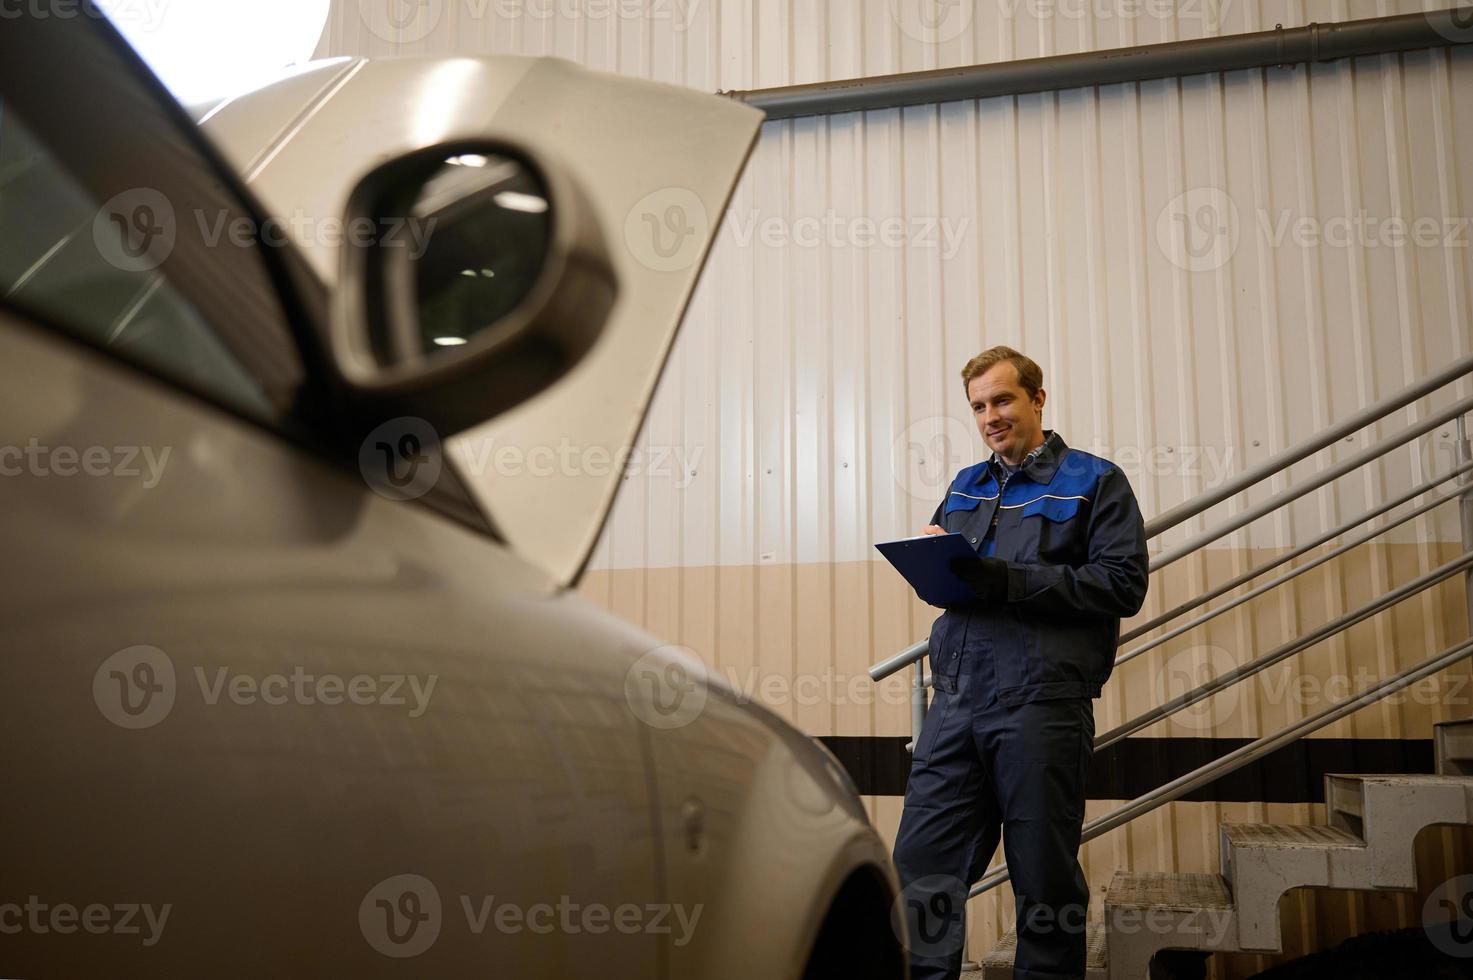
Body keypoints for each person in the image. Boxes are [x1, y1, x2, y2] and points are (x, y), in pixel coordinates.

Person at [892, 346, 1149, 980]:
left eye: (1002, 400)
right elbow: (954, 580)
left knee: (1043, 880)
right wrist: (931, 565)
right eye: (978, 406)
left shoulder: (1094, 480)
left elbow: (1122, 585)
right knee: (922, 867)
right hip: (955, 700)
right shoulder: (964, 485)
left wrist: (1005, 579)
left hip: (1041, 704)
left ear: (1037, 399)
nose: (990, 416)